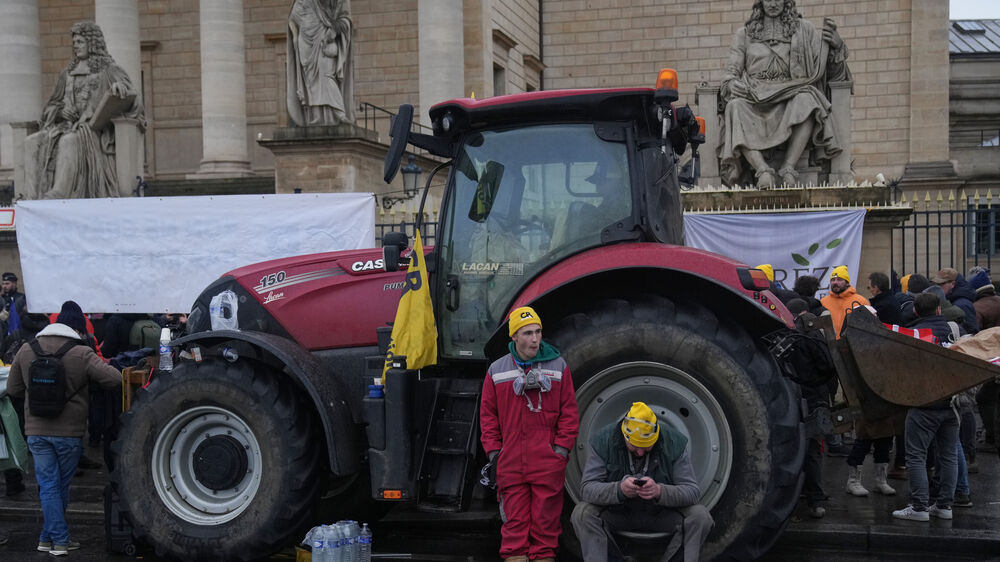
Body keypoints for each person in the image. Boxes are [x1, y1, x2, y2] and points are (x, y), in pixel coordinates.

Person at [6, 301, 123, 555]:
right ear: (79, 329)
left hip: (35, 431)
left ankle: (46, 539)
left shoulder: (27, 349)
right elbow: (114, 379)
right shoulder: (82, 353)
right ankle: (60, 540)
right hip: (69, 434)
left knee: (48, 484)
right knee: (58, 486)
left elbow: (13, 389)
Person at [480, 306, 579, 562]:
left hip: (547, 462)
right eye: (527, 333)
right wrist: (495, 454)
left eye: (538, 332)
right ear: (513, 337)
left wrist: (560, 451)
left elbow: (569, 413)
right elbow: (488, 417)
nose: (535, 339)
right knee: (514, 531)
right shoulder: (497, 371)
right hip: (510, 462)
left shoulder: (558, 367)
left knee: (545, 532)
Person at [718, 0, 850, 188]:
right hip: (755, 97)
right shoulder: (744, 34)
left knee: (808, 99)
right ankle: (762, 170)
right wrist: (732, 85)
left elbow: (826, 72)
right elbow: (731, 73)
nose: (773, 4)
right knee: (734, 106)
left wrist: (836, 47)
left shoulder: (804, 29)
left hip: (791, 92)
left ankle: (788, 168)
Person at [571, 401, 713, 561]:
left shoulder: (674, 442)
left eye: (646, 447)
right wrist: (619, 490)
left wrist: (660, 491)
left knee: (701, 516)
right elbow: (587, 489)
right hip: (618, 512)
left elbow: (692, 492)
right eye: (634, 446)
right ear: (625, 435)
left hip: (661, 512)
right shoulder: (603, 441)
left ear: (656, 436)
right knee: (582, 514)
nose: (639, 452)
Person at [23, 21, 145, 200]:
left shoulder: (110, 70)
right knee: (30, 141)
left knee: (69, 141)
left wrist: (120, 88)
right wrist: (59, 112)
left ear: (92, 43)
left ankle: (59, 192)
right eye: (74, 43)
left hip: (92, 132)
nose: (75, 46)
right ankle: (30, 198)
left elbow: (135, 100)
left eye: (80, 42)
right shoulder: (67, 73)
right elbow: (51, 106)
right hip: (63, 127)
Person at [891, 293, 959, 522]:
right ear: (939, 310)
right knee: (948, 456)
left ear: (916, 312)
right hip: (952, 402)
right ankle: (944, 506)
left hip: (924, 404)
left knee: (916, 456)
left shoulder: (916, 335)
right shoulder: (953, 330)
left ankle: (919, 507)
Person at [287, 0, 355, 126]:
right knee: (311, 82)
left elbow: (345, 20)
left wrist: (334, 30)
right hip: (306, 43)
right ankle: (316, 117)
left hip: (323, 39)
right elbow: (292, 19)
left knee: (327, 74)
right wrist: (295, 36)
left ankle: (338, 112)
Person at [820, 266, 869, 337]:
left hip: (853, 345)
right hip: (829, 345)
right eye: (833, 280)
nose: (835, 282)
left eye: (839, 279)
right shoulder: (823, 302)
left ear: (847, 283)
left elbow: (868, 326)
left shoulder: (861, 301)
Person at [931, 268, 979, 335]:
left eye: (942, 284)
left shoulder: (962, 304)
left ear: (953, 284)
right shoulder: (954, 299)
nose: (938, 287)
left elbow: (972, 331)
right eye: (936, 284)